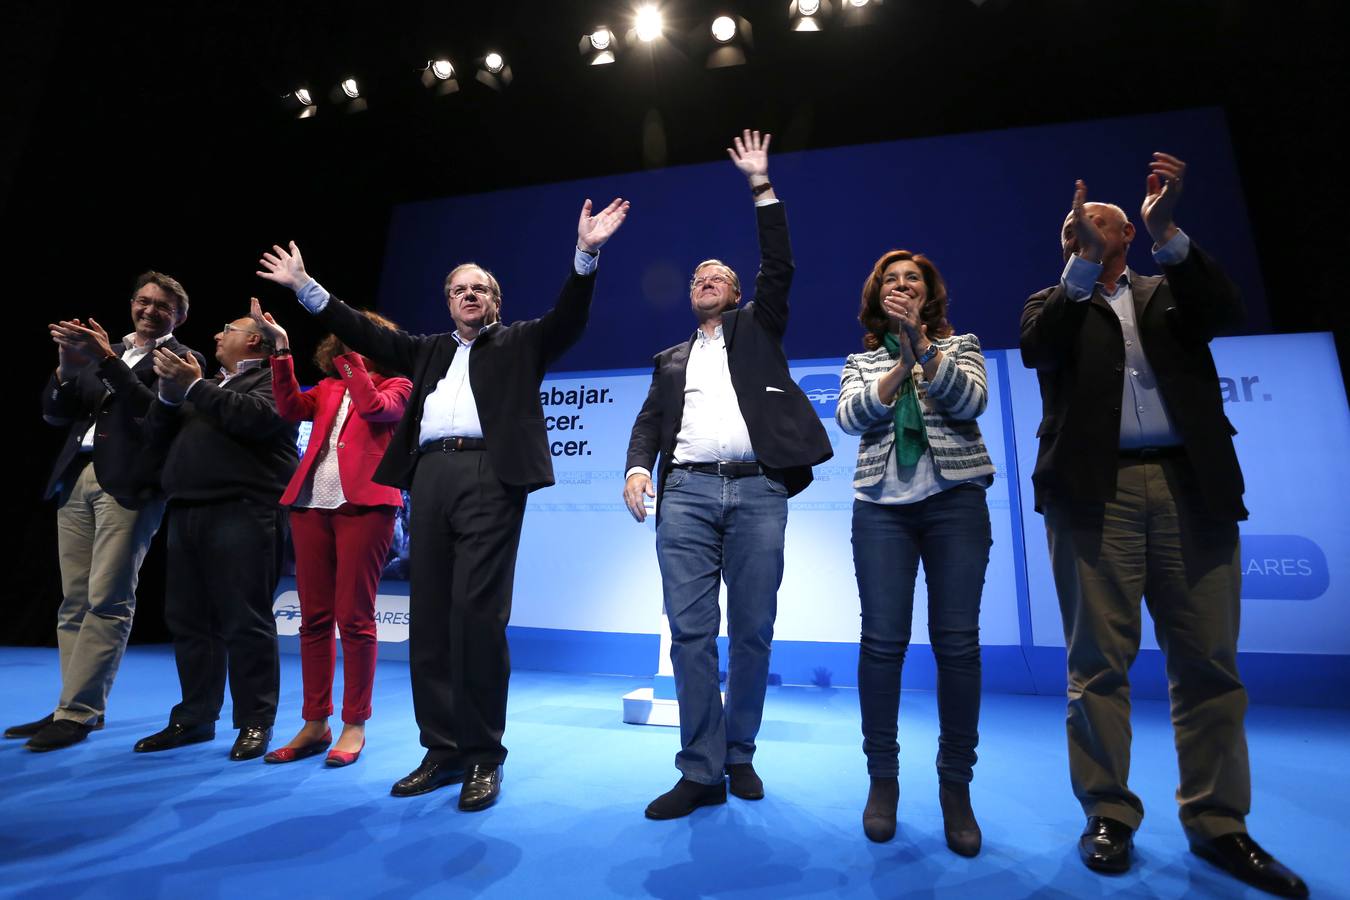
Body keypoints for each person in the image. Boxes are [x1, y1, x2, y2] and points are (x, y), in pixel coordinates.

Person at [256, 196, 629, 811]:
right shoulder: (424, 350)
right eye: (459, 288)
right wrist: (305, 287)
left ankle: (484, 754)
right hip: (429, 478)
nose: (469, 295)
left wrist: (586, 254)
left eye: (480, 288)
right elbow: (361, 329)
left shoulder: (522, 343)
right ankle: (442, 750)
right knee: (429, 620)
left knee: (477, 620)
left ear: (496, 301)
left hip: (490, 476)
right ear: (447, 299)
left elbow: (569, 317)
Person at [1019, 153, 1307, 897]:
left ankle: (1219, 824)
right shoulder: (1053, 304)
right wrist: (1079, 270)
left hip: (1190, 488)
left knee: (1209, 663)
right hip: (1094, 494)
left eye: (1101, 221)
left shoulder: (1171, 290)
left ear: (1127, 232)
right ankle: (1108, 814)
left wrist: (1168, 228)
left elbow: (1226, 311)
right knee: (1098, 670)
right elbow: (1040, 349)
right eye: (1074, 228)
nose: (1084, 228)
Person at [624, 131, 832, 820]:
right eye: (694, 278)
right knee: (689, 634)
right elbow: (651, 423)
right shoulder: (668, 358)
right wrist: (634, 467)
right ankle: (701, 769)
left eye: (715, 276)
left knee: (751, 630)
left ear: (737, 292)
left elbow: (782, 263)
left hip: (757, 490)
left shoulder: (757, 327)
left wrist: (760, 186)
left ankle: (738, 752)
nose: (702, 281)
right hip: (682, 494)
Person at [835, 250, 994, 854]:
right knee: (881, 644)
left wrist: (924, 349)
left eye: (913, 280)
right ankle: (884, 781)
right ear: (878, 296)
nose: (902, 287)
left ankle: (956, 788)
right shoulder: (860, 361)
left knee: (957, 645)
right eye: (891, 281)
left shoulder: (962, 347)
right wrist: (899, 363)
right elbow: (852, 417)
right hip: (881, 509)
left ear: (929, 294)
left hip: (955, 503)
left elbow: (970, 404)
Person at [6, 273, 200, 752]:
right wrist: (66, 369)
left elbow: (153, 414)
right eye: (143, 301)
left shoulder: (182, 359)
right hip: (76, 477)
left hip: (130, 486)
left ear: (180, 316)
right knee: (73, 601)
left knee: (107, 600)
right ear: (131, 303)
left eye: (163, 306)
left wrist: (108, 361)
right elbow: (56, 414)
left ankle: (79, 712)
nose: (150, 310)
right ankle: (73, 704)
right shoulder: (102, 350)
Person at [249, 301, 412, 767]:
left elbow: (376, 410)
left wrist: (355, 365)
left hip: (366, 506)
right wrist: (281, 351)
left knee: (355, 619)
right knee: (314, 620)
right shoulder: (325, 387)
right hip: (309, 506)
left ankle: (354, 723)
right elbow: (287, 407)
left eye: (361, 336)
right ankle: (314, 721)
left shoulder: (397, 384)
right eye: (345, 336)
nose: (351, 342)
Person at [132, 312, 298, 761]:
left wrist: (193, 387)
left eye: (227, 329)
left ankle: (255, 722)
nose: (216, 334)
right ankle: (194, 717)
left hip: (244, 510)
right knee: (188, 620)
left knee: (245, 620)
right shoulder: (206, 387)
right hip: (187, 510)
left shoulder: (274, 381)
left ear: (256, 344)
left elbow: (257, 421)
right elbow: (154, 438)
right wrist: (167, 400)